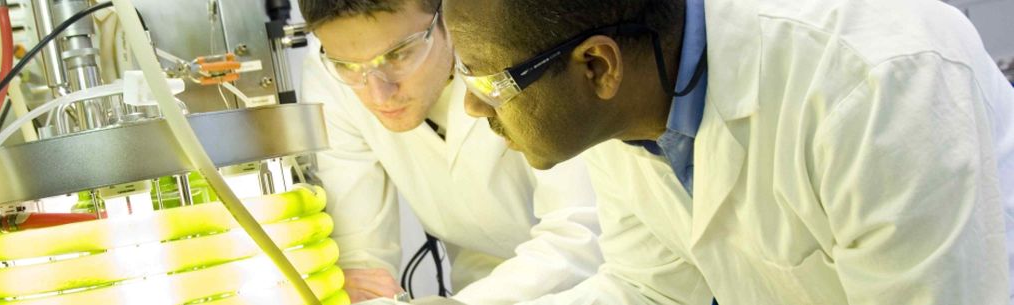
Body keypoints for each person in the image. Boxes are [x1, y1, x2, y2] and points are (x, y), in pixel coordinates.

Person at [444, 0, 1014, 303]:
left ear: (598, 66)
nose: (471, 107)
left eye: (488, 82)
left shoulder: (871, 84)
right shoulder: (623, 99)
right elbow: (653, 288)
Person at [295, 0, 604, 304]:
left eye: (399, 54)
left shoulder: (525, 38)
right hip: (476, 285)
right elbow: (363, 263)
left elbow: (584, 231)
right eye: (347, 67)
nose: (379, 94)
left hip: (597, 289)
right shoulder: (328, 70)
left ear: (449, 14)